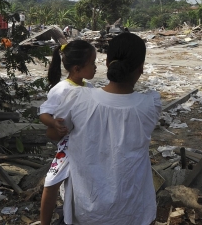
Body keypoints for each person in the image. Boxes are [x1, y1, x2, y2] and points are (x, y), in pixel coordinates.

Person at [53, 33, 161, 225]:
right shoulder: (150, 104)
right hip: (133, 211)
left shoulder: (78, 98)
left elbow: (53, 134)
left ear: (107, 62)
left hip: (86, 209)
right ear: (141, 68)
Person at [39, 40, 97, 225]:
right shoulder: (62, 89)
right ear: (77, 68)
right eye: (93, 63)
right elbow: (43, 113)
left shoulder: (90, 88)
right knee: (52, 181)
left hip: (86, 143)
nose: (96, 67)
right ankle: (44, 222)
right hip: (68, 144)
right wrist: (54, 123)